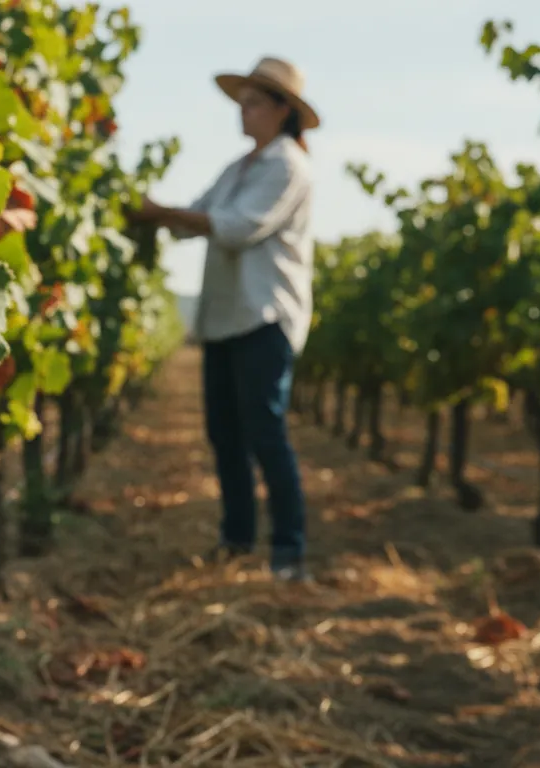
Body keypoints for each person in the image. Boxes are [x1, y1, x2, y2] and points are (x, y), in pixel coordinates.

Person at [128, 56, 319, 581]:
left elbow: (236, 228)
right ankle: (236, 542)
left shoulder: (288, 166)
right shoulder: (239, 168)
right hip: (225, 319)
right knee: (226, 436)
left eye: (255, 101)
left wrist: (160, 212)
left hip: (264, 317)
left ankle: (289, 552)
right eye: (243, 100)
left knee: (266, 433)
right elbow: (196, 220)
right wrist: (158, 215)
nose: (244, 109)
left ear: (283, 110)